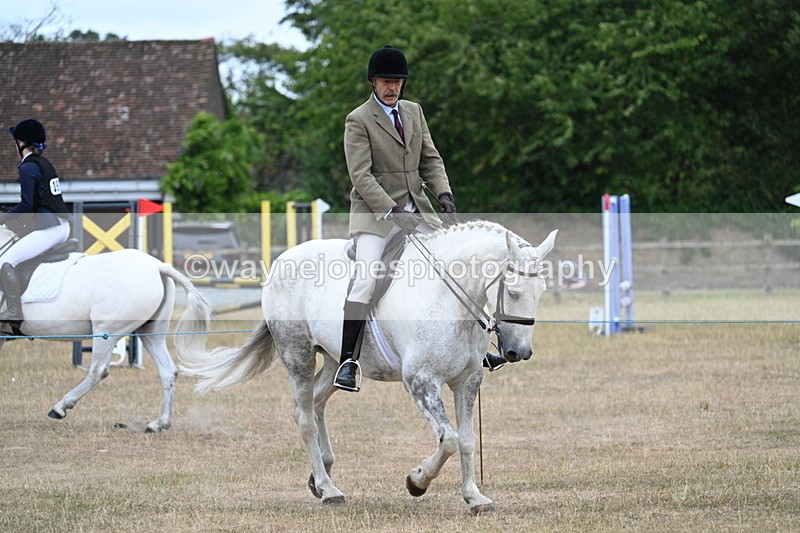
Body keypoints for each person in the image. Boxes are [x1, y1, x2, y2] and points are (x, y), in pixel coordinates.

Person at [334, 45, 504, 392]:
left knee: (457, 267)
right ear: (373, 82)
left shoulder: (413, 112)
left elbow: (431, 158)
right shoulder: (359, 120)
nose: (392, 87)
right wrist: (393, 212)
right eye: (385, 81)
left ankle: (478, 348)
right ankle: (348, 360)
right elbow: (362, 177)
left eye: (397, 81)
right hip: (375, 216)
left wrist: (444, 193)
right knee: (367, 279)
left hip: (418, 209)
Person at [0, 119, 72, 323]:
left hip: (50, 229)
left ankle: (14, 312)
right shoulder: (43, 163)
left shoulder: (27, 168)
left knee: (5, 260)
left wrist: (4, 216)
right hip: (61, 225)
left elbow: (27, 205)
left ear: (21, 143)